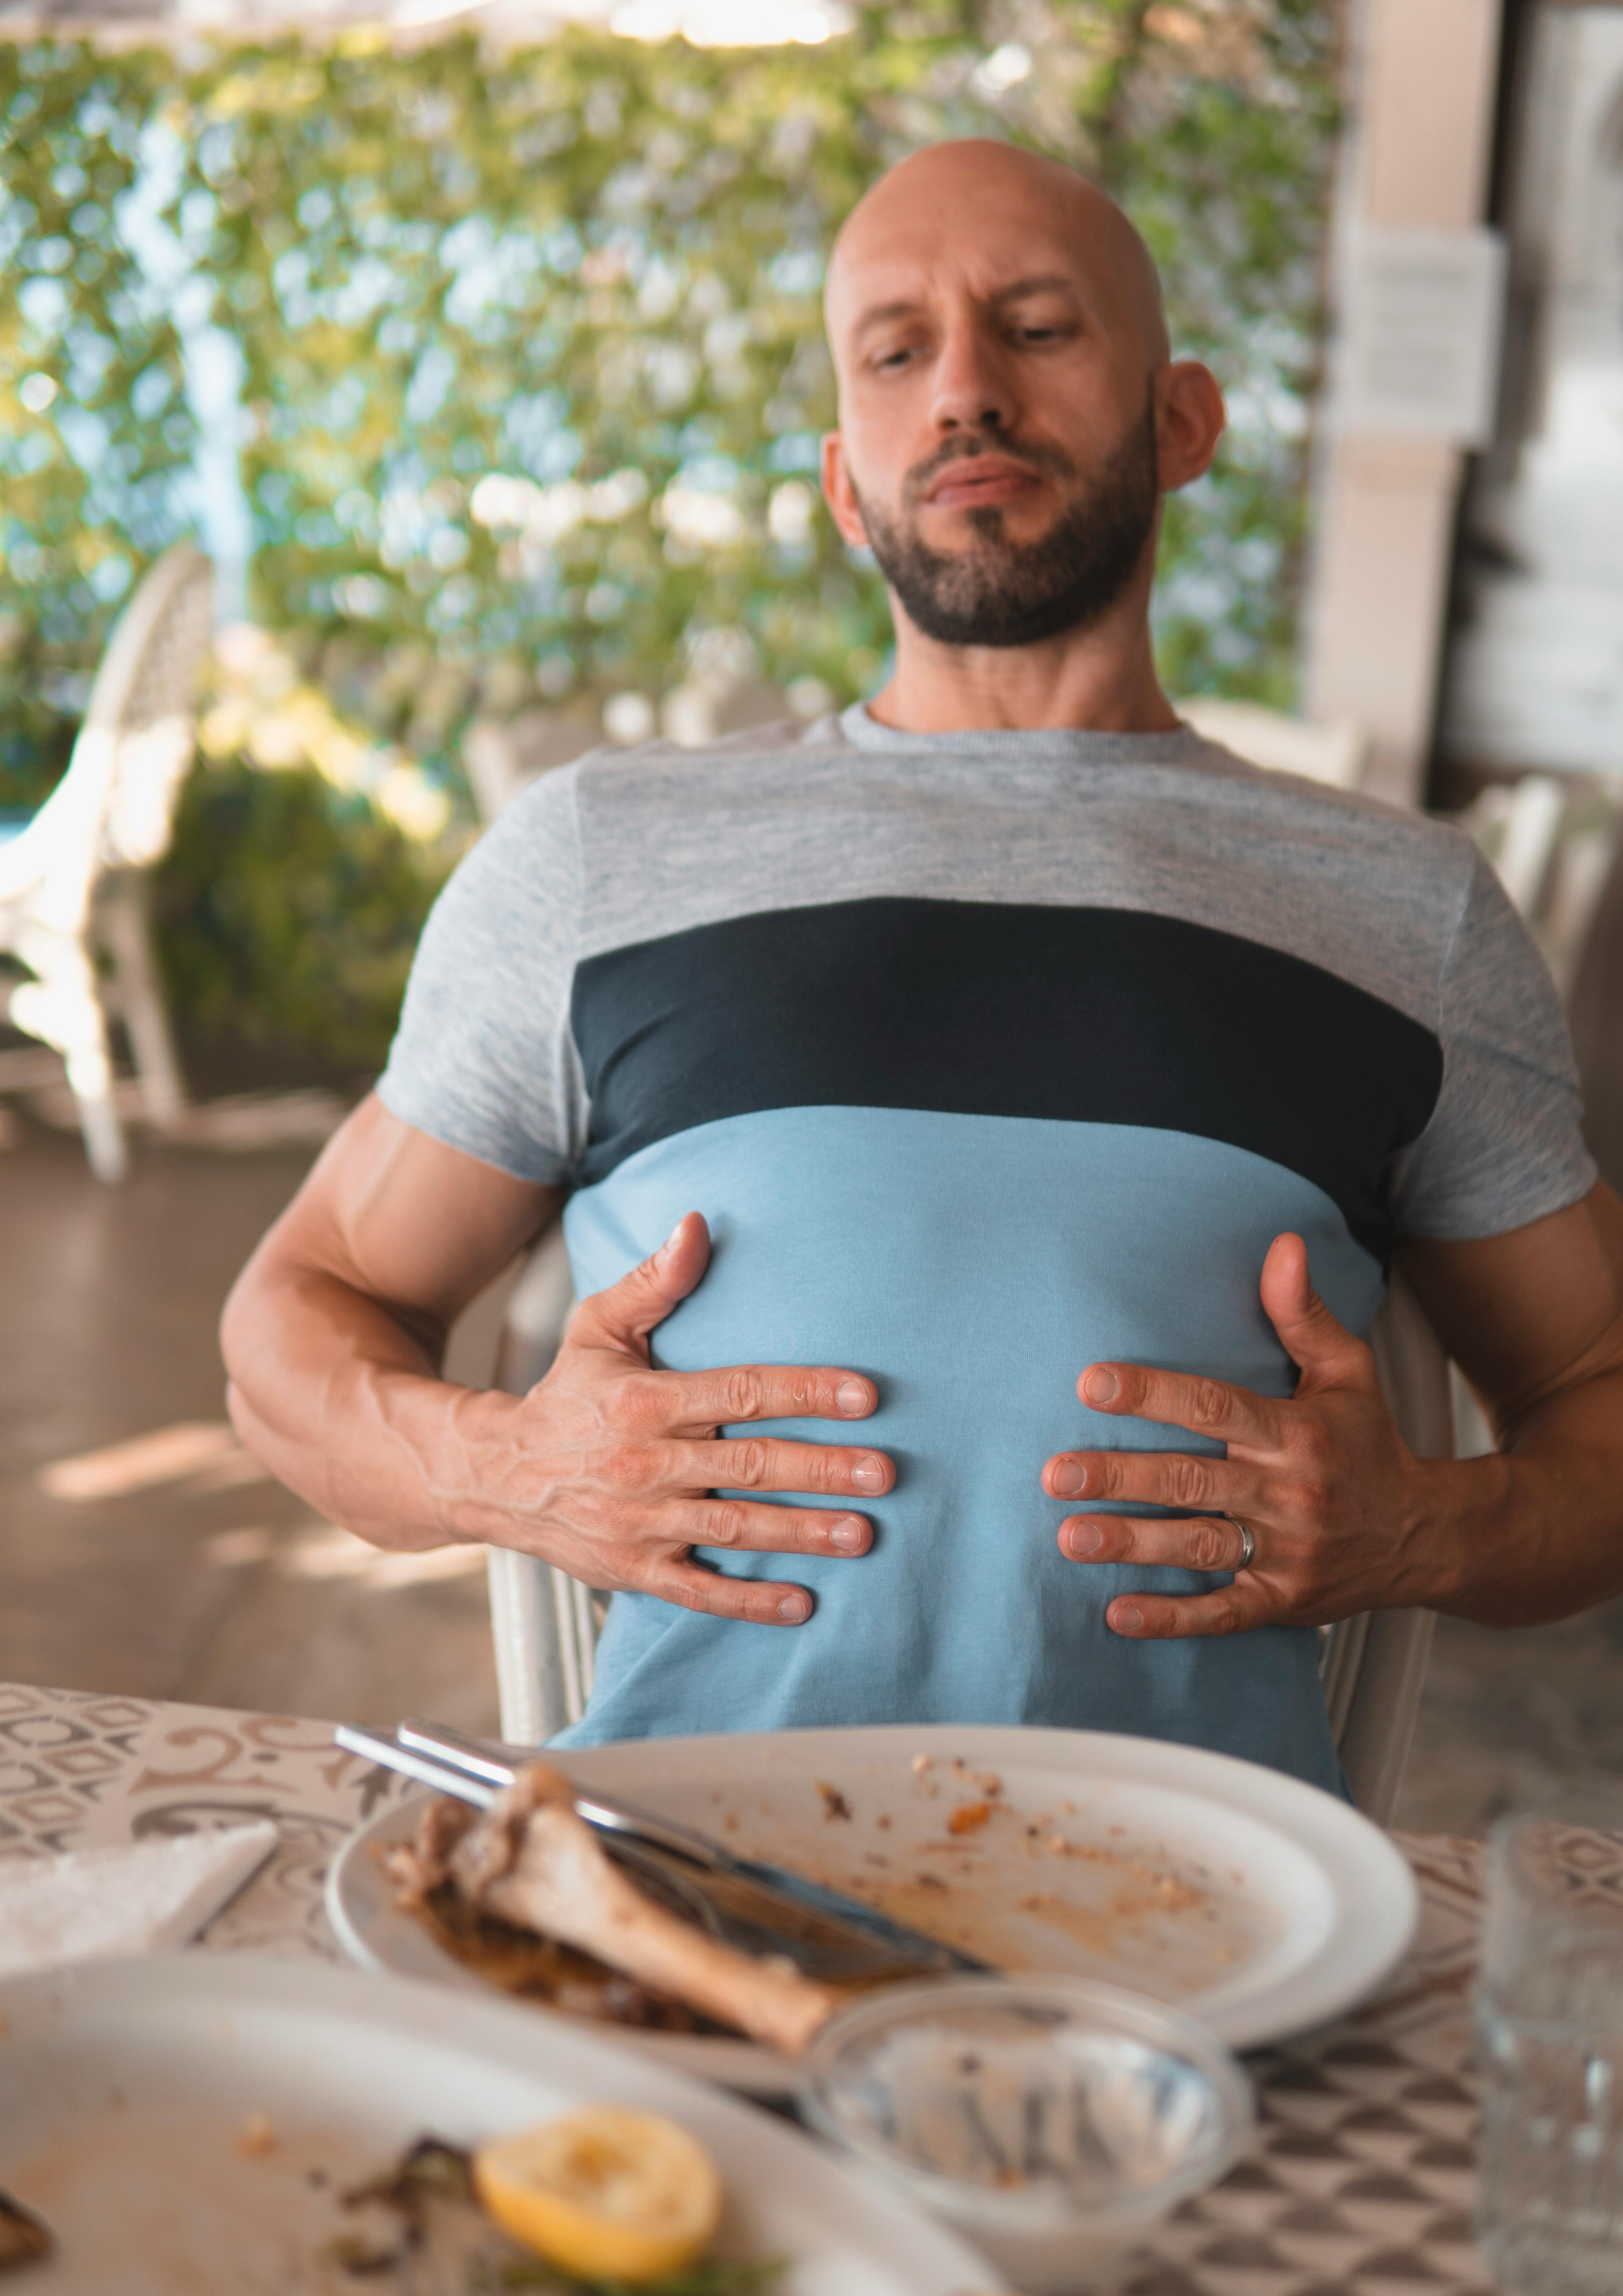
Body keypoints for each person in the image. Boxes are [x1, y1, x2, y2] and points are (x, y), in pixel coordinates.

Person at [222, 141, 1623, 1794]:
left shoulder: (1410, 909)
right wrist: (508, 1467)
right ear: (844, 477)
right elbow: (293, 1320)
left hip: (1200, 1920)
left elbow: (1593, 1402)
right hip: (681, 1879)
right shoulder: (602, 854)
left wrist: (1416, 1526)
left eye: (1035, 329)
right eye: (896, 351)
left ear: (1182, 420)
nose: (963, 390)